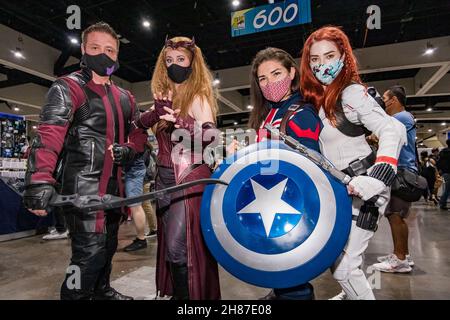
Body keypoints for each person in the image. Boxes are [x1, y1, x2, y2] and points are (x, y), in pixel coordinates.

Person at [23, 22, 147, 300]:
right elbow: (49, 134)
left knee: (109, 246)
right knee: (87, 256)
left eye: (109, 49)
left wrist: (130, 149)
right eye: (95, 48)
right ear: (83, 50)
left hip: (116, 189)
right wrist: (39, 180)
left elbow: (139, 134)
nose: (102, 54)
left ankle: (102, 290)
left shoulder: (125, 96)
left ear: (116, 55)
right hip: (83, 191)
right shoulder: (67, 87)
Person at [299, 26, 406, 300]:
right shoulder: (322, 100)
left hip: (367, 189)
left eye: (329, 56)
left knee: (345, 269)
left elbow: (392, 129)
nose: (322, 64)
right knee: (338, 259)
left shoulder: (352, 93)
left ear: (343, 57)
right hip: (343, 190)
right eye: (315, 59)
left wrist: (379, 175)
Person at [134, 36, 221, 300]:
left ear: (192, 63)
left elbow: (211, 137)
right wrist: (154, 114)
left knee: (178, 247)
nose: (175, 65)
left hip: (189, 177)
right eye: (169, 60)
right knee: (170, 247)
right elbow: (138, 125)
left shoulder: (198, 97)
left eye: (181, 60)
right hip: (163, 180)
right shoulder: (164, 97)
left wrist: (182, 122)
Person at [247, 47, 322, 300]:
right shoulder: (269, 111)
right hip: (271, 200)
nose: (269, 83)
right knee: (282, 271)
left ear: (292, 73)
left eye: (276, 73)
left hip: (291, 203)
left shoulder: (301, 112)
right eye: (263, 78)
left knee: (294, 280)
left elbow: (311, 166)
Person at [371, 85, 416, 273]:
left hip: (401, 171)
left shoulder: (400, 118)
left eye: (386, 99)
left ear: (394, 100)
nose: (384, 103)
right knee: (397, 214)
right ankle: (403, 254)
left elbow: (376, 135)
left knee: (395, 214)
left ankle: (400, 259)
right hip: (404, 169)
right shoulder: (404, 118)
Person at [123, 128, 149, 252]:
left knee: (135, 206)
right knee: (135, 205)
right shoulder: (135, 128)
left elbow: (136, 149)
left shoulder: (136, 128)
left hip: (133, 168)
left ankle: (141, 239)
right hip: (130, 167)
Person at [437, 139, 450, 210]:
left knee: (447, 189)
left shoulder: (442, 152)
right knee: (447, 189)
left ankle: (442, 202)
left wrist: (441, 170)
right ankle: (442, 203)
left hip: (445, 172)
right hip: (448, 172)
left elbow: (438, 163)